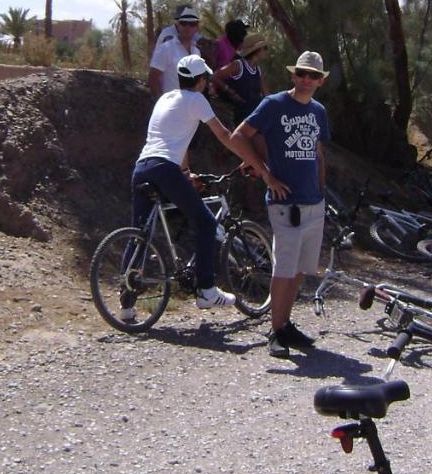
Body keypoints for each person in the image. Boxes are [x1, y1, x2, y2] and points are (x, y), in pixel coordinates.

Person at [126, 55, 288, 322]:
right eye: (206, 79)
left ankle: (126, 303)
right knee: (205, 223)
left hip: (143, 167)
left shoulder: (165, 99)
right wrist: (255, 163)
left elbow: (174, 142)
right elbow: (225, 135)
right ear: (200, 80)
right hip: (165, 168)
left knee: (139, 233)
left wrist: (187, 174)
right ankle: (206, 290)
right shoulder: (196, 99)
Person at [235, 50, 330, 356]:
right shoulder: (274, 104)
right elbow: (239, 136)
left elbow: (317, 152)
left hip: (314, 203)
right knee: (284, 268)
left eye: (313, 76)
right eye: (302, 73)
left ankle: (285, 324)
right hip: (285, 203)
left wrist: (323, 190)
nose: (306, 80)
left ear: (321, 81)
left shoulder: (318, 111)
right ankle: (275, 332)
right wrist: (266, 175)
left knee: (302, 268)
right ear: (293, 75)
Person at [213, 34, 269, 125]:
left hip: (256, 114)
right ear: (256, 50)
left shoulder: (259, 70)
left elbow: (266, 94)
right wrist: (230, 92)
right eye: (265, 48)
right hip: (242, 116)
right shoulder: (238, 65)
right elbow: (215, 77)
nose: (267, 51)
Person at [148, 5, 201, 99]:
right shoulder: (166, 48)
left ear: (197, 27)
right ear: (178, 25)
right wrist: (161, 103)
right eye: (184, 23)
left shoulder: (196, 52)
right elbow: (153, 78)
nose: (187, 27)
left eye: (192, 24)